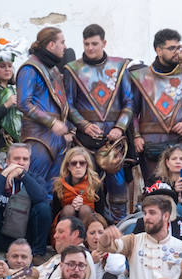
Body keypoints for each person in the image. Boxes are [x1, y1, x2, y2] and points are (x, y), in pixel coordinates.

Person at [63, 24, 134, 220]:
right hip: (84, 141)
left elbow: (129, 102)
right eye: (86, 44)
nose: (90, 48)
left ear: (104, 42)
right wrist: (84, 125)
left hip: (114, 142)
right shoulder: (72, 69)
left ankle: (120, 233)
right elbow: (68, 105)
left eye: (94, 44)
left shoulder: (120, 67)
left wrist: (120, 127)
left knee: (119, 189)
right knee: (86, 190)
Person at [130, 29, 182, 184]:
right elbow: (131, 111)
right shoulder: (140, 77)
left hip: (181, 144)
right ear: (159, 50)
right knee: (154, 191)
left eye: (178, 48)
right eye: (171, 48)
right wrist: (136, 136)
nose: (176, 52)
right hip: (150, 144)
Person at [16, 27, 72, 202]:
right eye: (62, 42)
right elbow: (24, 103)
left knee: (51, 191)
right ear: (51, 44)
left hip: (57, 139)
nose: (65, 46)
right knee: (33, 189)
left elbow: (62, 103)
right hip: (38, 137)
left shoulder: (53, 69)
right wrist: (51, 123)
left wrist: (68, 129)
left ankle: (49, 230)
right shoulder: (29, 68)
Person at [0, 142, 53, 257]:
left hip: (27, 238)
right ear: (7, 161)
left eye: (25, 159)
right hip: (1, 236)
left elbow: (41, 198)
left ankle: (38, 255)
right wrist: (4, 174)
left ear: (29, 162)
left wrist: (23, 175)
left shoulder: (36, 179)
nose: (21, 162)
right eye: (16, 158)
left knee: (43, 208)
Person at [52, 147, 102, 222]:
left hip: (91, 222)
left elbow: (101, 211)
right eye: (73, 163)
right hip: (66, 220)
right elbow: (55, 212)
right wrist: (71, 206)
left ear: (87, 165)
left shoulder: (95, 183)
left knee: (85, 209)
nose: (78, 166)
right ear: (68, 166)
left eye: (82, 163)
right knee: (68, 209)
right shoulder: (59, 185)